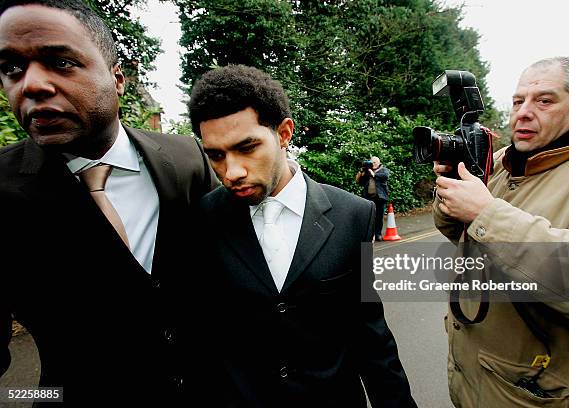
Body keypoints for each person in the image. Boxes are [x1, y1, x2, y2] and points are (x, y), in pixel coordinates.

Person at [0, 0, 217, 405]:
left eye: (61, 62)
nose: (31, 85)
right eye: (12, 68)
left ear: (118, 79)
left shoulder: (187, 160)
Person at [188, 65, 417, 407]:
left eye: (247, 147)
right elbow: (204, 337)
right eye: (216, 155)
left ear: (283, 134)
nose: (232, 172)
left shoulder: (353, 215)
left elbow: (370, 336)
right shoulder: (205, 217)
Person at [433, 57, 569, 407]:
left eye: (544, 100)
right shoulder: (501, 161)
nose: (524, 113)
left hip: (541, 392)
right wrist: (451, 193)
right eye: (518, 101)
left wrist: (486, 212)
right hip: (477, 378)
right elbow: (464, 234)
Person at [356, 156, 389, 241]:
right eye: (372, 162)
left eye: (375, 162)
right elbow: (358, 181)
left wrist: (372, 172)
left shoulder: (383, 170)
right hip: (368, 198)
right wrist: (361, 171)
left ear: (379, 163)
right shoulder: (367, 171)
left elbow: (384, 176)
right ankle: (370, 235)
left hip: (380, 198)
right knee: (370, 217)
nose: (373, 164)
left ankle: (378, 234)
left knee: (379, 217)